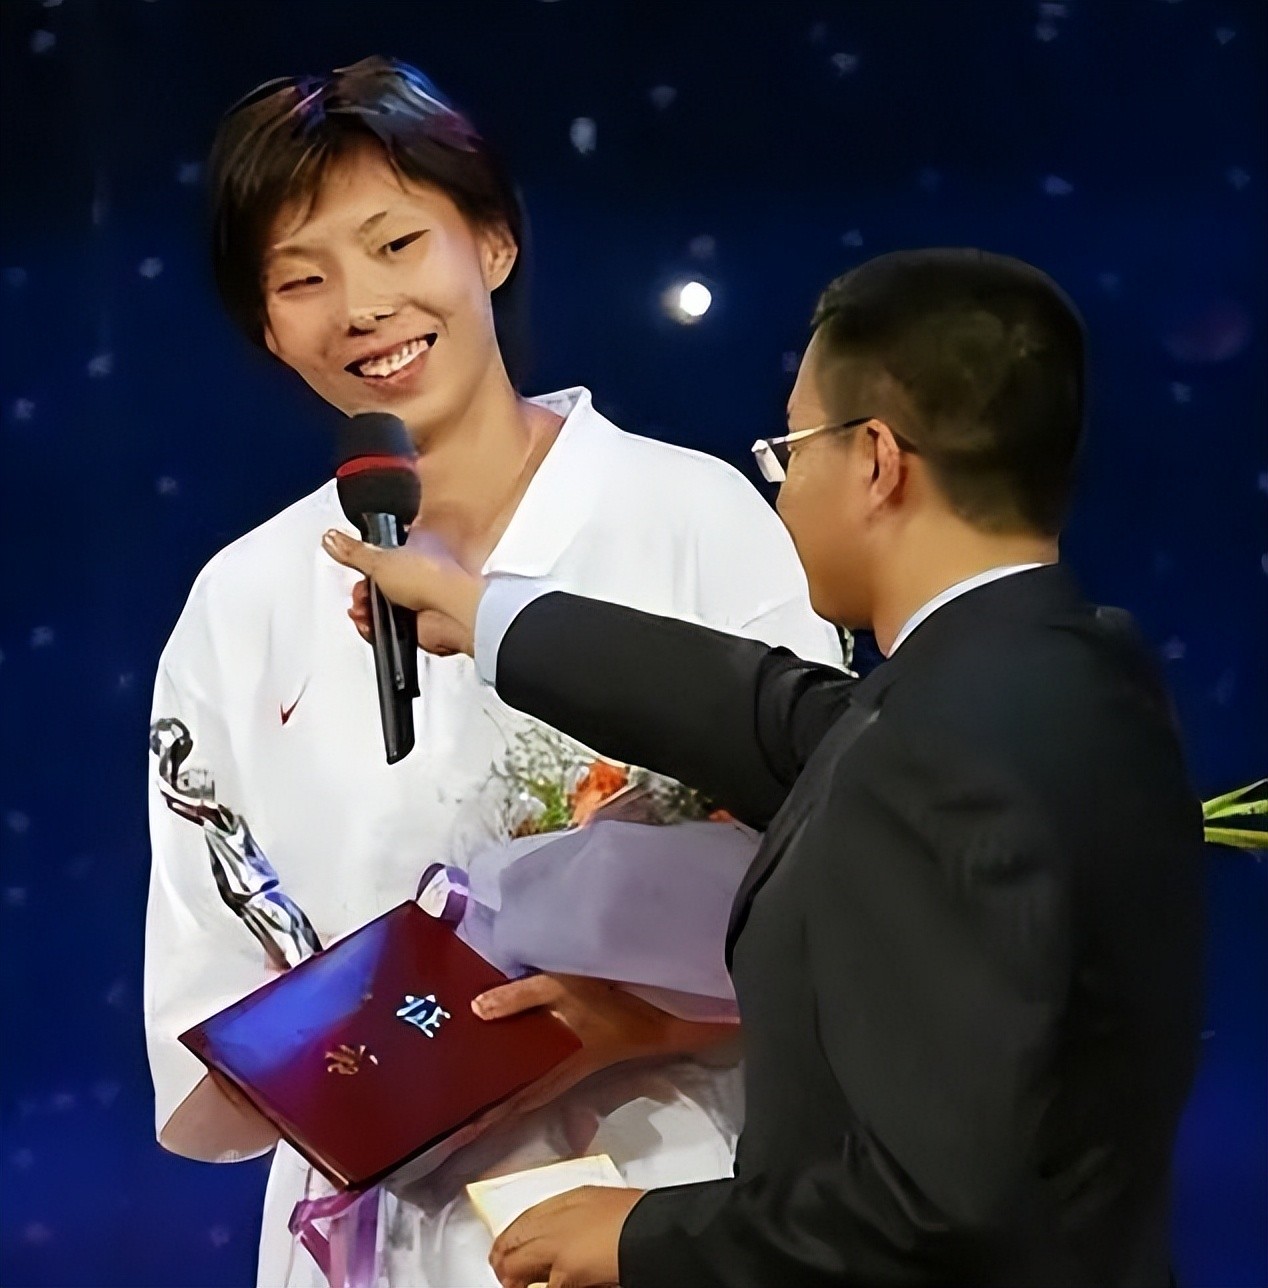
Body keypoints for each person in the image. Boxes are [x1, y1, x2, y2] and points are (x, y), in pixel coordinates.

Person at [323, 247, 1207, 1288]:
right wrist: (484, 615)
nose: (781, 493)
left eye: (789, 452)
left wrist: (640, 1236)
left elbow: (939, 1205)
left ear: (876, 461)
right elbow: (777, 715)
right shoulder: (1062, 670)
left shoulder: (957, 741)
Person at [142, 56, 840, 1288]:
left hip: (668, 1198)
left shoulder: (689, 515)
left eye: (395, 244)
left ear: (494, 244)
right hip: (375, 1239)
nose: (362, 306)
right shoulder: (240, 602)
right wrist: (357, 1058)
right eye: (302, 279)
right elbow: (211, 986)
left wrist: (638, 1023)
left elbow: (843, 887)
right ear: (268, 327)